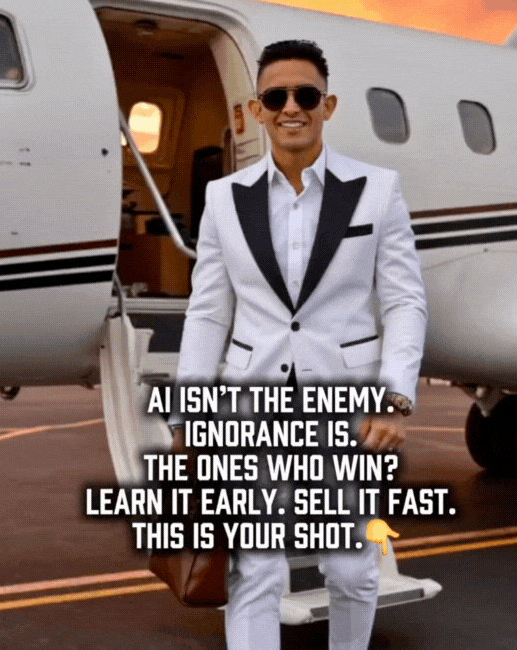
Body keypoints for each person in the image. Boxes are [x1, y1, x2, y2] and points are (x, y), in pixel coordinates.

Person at [169, 40, 427, 650]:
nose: (292, 107)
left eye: (306, 95)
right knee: (254, 571)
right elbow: (208, 312)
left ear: (327, 106)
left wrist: (396, 399)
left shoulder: (377, 189)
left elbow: (404, 302)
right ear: (257, 110)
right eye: (276, 96)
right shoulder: (222, 198)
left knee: (352, 570)